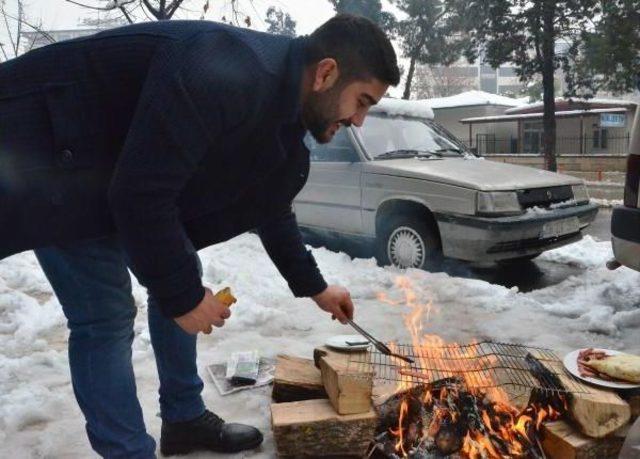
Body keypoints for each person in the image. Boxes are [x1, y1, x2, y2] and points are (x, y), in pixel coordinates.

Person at [0, 13, 400, 458]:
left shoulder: (283, 114)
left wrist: (317, 288)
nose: (360, 120)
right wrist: (183, 297)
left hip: (109, 170)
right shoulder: (223, 67)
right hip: (48, 156)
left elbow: (271, 205)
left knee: (178, 265)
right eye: (361, 101)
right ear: (326, 73)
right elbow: (140, 194)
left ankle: (184, 420)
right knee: (105, 315)